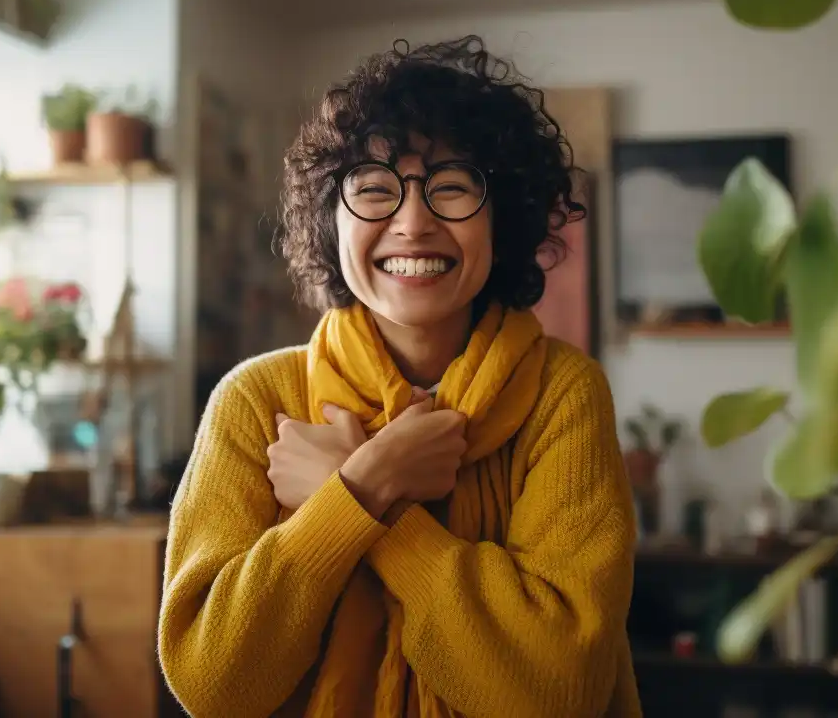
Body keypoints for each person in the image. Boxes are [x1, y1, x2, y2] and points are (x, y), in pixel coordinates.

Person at [158, 36, 641, 717]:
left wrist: (359, 502)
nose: (413, 224)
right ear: (331, 221)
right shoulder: (256, 400)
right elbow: (214, 684)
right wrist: (366, 483)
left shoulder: (562, 392)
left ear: (503, 220)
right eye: (375, 190)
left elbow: (556, 690)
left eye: (452, 188)